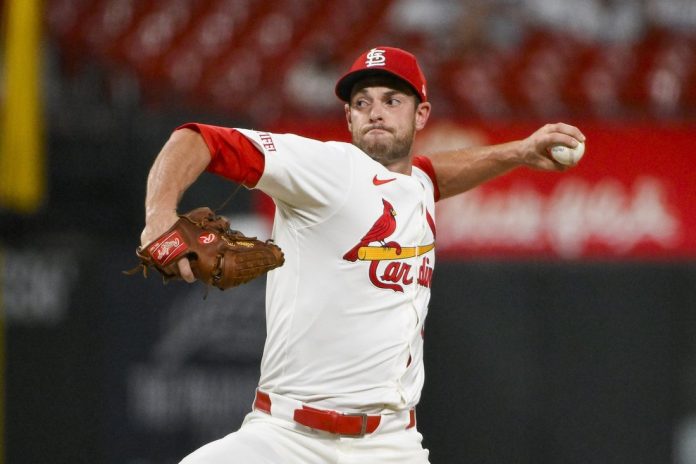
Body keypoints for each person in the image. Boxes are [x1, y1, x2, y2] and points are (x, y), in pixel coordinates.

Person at [140, 46, 586, 463]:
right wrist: (159, 213)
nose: (375, 111)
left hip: (390, 445)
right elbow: (197, 139)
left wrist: (519, 151)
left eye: (392, 100)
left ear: (421, 114)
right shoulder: (327, 168)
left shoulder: (418, 186)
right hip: (287, 439)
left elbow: (434, 173)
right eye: (362, 102)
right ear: (348, 118)